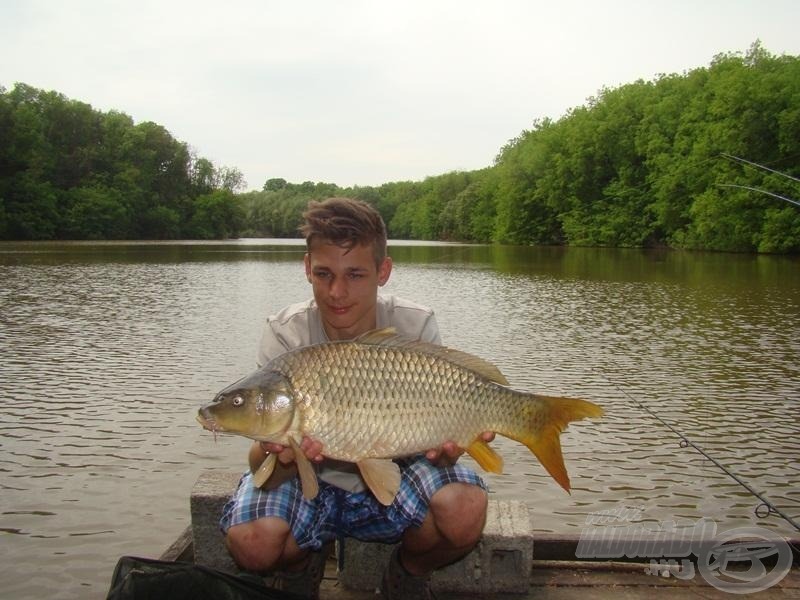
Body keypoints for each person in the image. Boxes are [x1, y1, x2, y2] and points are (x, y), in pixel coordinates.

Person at [220, 197, 492, 599]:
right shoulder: (284, 336)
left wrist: (450, 449)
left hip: (393, 467)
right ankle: (300, 564)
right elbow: (262, 464)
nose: (337, 292)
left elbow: (440, 446)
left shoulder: (414, 325)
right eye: (324, 274)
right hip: (307, 481)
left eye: (356, 275)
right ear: (307, 268)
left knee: (465, 510)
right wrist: (282, 456)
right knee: (252, 544)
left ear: (383, 271)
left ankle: (407, 571)